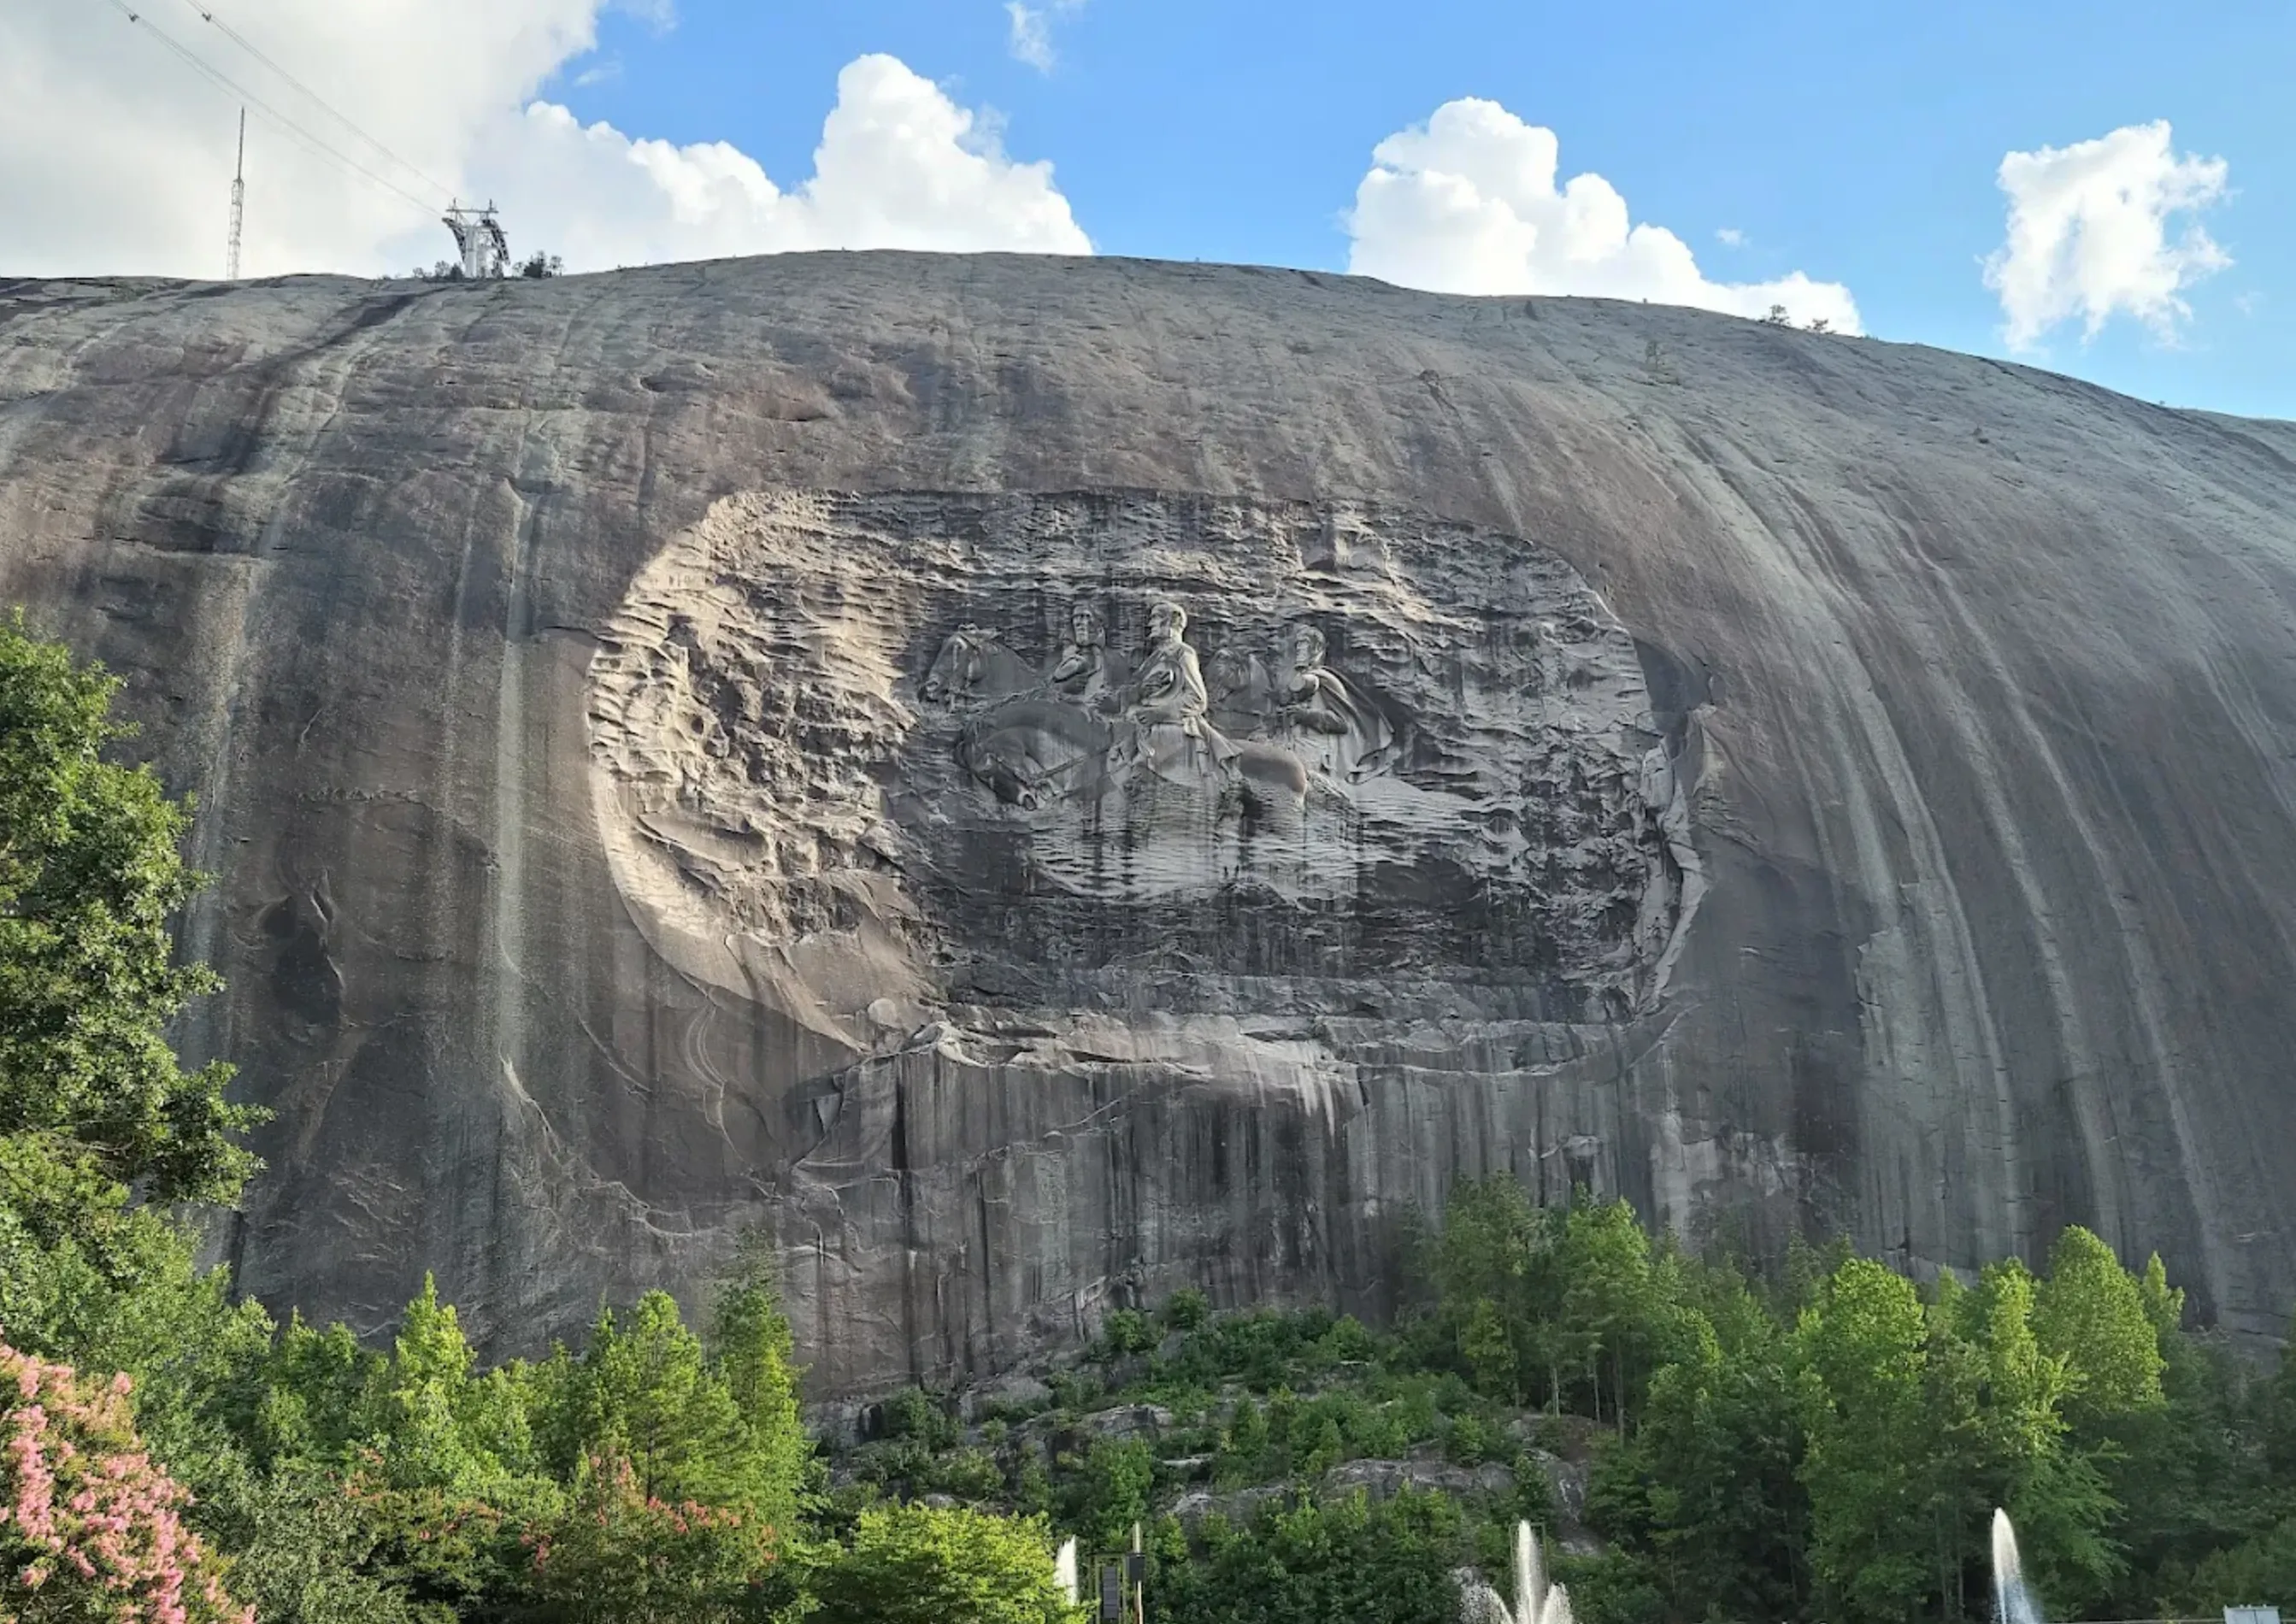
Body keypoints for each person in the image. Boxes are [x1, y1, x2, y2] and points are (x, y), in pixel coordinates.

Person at [1116, 599, 1235, 785]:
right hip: (1143, 723)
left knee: (1138, 772)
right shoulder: (1152, 658)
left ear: (1172, 621)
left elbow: (1197, 699)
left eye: (1156, 617)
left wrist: (1158, 714)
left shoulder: (1183, 653)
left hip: (1173, 725)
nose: (1150, 624)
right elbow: (1136, 691)